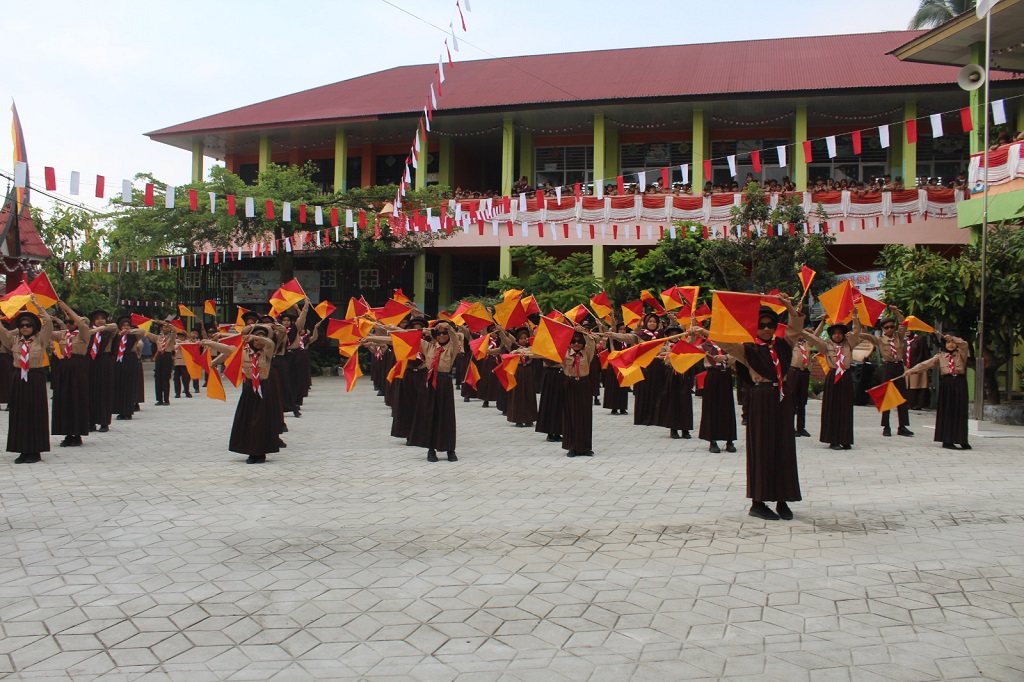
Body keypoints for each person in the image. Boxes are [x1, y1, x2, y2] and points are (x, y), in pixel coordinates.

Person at [718, 296, 805, 521]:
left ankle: (782, 499)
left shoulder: (783, 347)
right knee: (762, 447)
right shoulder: (748, 349)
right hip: (761, 397)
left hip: (782, 397)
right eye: (761, 325)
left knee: (783, 446)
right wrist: (715, 322)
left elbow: (796, 326)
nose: (766, 329)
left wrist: (788, 307)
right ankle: (758, 502)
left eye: (770, 325)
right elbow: (725, 342)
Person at [204, 326, 278, 463]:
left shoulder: (266, 352)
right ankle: (251, 451)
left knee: (262, 421)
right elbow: (225, 349)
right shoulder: (243, 352)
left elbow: (270, 343)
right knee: (248, 420)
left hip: (264, 389)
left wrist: (256, 337)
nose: (259, 341)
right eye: (256, 337)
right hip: (250, 389)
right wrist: (208, 343)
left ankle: (261, 452)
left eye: (262, 336)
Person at [803, 317, 863, 450]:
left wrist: (855, 317)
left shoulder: (849, 344)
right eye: (834, 333)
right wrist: (821, 322)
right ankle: (833, 439)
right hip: (833, 376)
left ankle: (845, 438)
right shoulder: (826, 346)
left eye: (840, 333)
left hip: (845, 376)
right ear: (831, 335)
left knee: (846, 408)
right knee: (832, 407)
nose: (837, 335)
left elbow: (857, 331)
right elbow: (812, 339)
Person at [4, 301, 53, 463]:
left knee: (34, 414)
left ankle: (35, 450)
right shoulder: (14, 341)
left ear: (34, 327)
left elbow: (48, 322)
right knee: (20, 414)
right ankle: (22, 449)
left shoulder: (40, 340)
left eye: (28, 325)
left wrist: (37, 304)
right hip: (18, 378)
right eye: (22, 325)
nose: (25, 328)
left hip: (35, 379)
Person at [904, 333, 971, 450]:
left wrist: (951, 337)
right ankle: (947, 440)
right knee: (948, 411)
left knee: (960, 411)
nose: (950, 344)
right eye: (948, 342)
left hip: (960, 383)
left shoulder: (961, 353)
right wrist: (912, 371)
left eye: (952, 342)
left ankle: (961, 439)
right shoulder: (940, 356)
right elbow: (926, 364)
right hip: (947, 384)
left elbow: (964, 343)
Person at [864, 307, 914, 437]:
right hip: (888, 367)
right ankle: (886, 426)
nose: (890, 329)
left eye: (892, 326)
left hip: (899, 366)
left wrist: (897, 311)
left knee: (902, 397)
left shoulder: (898, 336)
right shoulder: (880, 340)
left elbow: (905, 323)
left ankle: (902, 426)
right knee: (887, 395)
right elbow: (864, 336)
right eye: (887, 327)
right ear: (883, 329)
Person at [51, 303, 93, 447]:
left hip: (78, 369)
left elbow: (82, 324)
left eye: (71, 321)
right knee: (65, 400)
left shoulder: (84, 333)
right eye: (66, 321)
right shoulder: (62, 334)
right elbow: (44, 331)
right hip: (64, 369)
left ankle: (77, 433)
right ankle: (67, 432)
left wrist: (68, 309)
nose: (69, 324)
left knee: (77, 399)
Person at [695, 334, 737, 453]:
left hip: (726, 375)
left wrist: (725, 357)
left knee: (727, 407)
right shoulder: (704, 346)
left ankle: (730, 440)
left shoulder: (728, 344)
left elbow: (737, 354)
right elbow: (690, 349)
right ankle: (712, 440)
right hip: (712, 376)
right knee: (711, 407)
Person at [560, 329, 597, 457]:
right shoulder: (564, 354)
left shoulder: (587, 353)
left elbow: (592, 342)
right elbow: (545, 353)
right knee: (571, 416)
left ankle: (585, 447)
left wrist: (584, 332)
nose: (576, 344)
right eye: (574, 342)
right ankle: (572, 447)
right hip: (570, 385)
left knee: (585, 416)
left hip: (584, 385)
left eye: (579, 341)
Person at [87, 309, 118, 432]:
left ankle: (104, 422)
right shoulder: (89, 332)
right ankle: (91, 421)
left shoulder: (108, 331)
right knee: (92, 391)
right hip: (92, 361)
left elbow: (114, 326)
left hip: (105, 360)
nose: (100, 321)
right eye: (97, 318)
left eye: (102, 318)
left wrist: (99, 329)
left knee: (104, 391)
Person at [112, 317, 146, 421]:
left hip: (130, 360)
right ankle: (120, 411)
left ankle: (128, 411)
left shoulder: (134, 336)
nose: (126, 327)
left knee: (129, 386)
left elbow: (143, 331)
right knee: (119, 386)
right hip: (119, 361)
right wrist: (120, 333)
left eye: (128, 325)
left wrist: (129, 331)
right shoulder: (116, 336)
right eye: (124, 325)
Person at [787, 318, 813, 437]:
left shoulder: (807, 345)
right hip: (794, 372)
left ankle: (801, 427)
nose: (800, 336)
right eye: (798, 334)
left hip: (804, 373)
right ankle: (790, 426)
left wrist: (823, 322)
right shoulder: (791, 345)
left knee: (802, 401)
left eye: (802, 334)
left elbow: (816, 335)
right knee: (792, 400)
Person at [144, 323, 178, 406]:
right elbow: (146, 333)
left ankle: (166, 399)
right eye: (164, 327)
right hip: (159, 356)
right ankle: (159, 399)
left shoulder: (172, 336)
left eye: (167, 327)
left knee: (165, 377)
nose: (166, 328)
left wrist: (168, 324)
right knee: (158, 377)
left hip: (167, 355)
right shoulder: (158, 337)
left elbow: (174, 330)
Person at [906, 332, 931, 409]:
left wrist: (924, 365)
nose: (907, 331)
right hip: (907, 365)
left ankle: (919, 403)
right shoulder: (905, 340)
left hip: (918, 365)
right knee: (908, 384)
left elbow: (925, 352)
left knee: (919, 384)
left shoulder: (919, 339)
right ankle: (909, 402)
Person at [172, 330, 192, 398]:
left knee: (185, 378)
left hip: (185, 363)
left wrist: (180, 342)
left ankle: (187, 391)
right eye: (179, 336)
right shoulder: (175, 343)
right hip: (177, 363)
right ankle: (177, 392)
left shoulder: (187, 342)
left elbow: (187, 346)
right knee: (176, 378)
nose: (180, 337)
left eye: (182, 336)